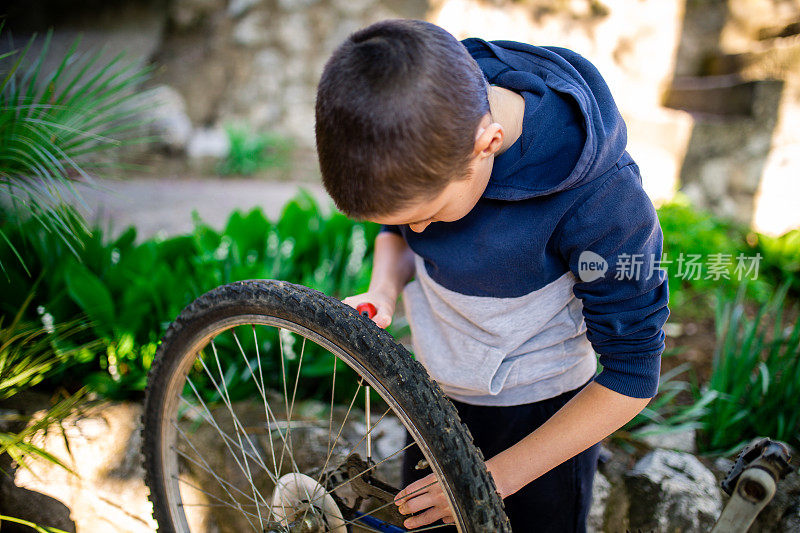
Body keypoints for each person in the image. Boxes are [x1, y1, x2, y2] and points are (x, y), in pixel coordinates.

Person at [314, 18, 669, 532]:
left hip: (542, 425)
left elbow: (631, 378)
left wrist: (489, 479)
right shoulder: (422, 103)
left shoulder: (606, 206)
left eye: (428, 214)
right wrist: (384, 290)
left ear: (488, 142)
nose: (416, 228)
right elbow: (398, 232)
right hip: (433, 397)